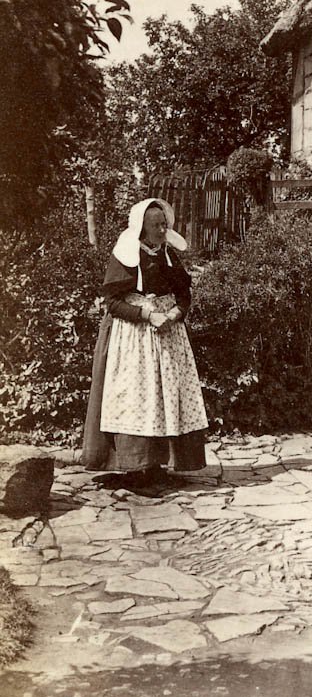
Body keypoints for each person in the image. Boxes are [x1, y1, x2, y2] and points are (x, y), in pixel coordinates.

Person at [82, 198, 208, 488]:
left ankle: (157, 464)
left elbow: (184, 293)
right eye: (156, 225)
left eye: (164, 224)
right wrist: (146, 315)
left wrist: (176, 314)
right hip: (133, 337)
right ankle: (135, 464)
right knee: (138, 397)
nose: (162, 230)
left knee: (165, 398)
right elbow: (112, 302)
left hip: (168, 336)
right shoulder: (126, 254)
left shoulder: (168, 254)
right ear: (141, 228)